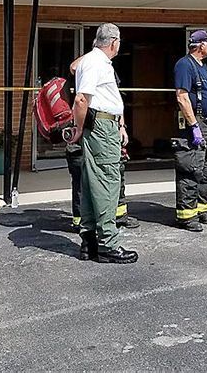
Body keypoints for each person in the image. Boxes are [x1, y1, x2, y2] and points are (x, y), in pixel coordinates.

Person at [67, 23, 138, 264]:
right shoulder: (97, 63)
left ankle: (89, 242)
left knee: (91, 182)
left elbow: (75, 70)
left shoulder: (91, 61)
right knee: (108, 182)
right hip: (100, 128)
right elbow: (80, 99)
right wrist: (78, 127)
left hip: (102, 125)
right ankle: (108, 244)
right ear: (114, 43)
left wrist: (119, 124)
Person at [174, 30, 207, 231]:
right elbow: (182, 97)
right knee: (191, 168)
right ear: (199, 45)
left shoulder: (202, 67)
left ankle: (201, 209)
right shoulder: (185, 65)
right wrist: (193, 125)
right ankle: (186, 216)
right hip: (197, 125)